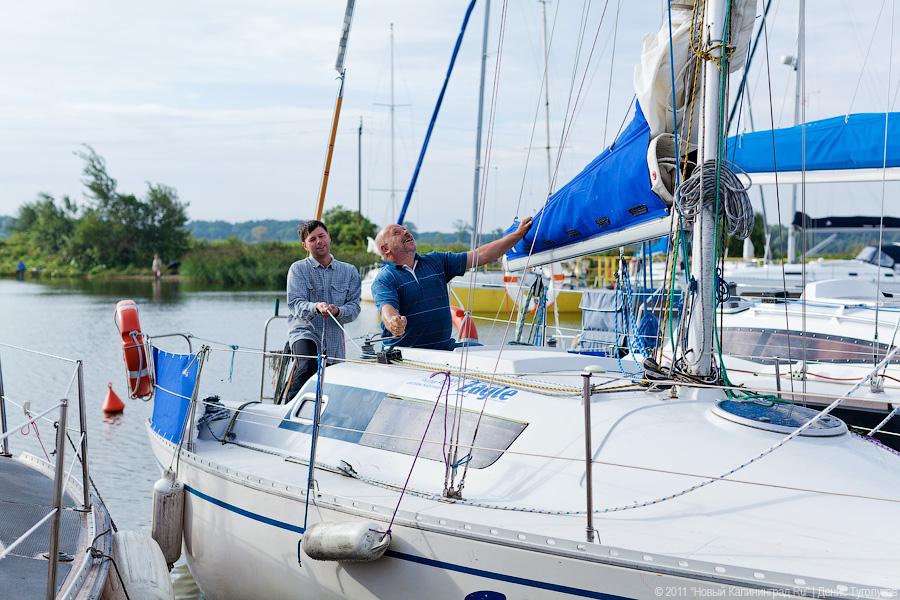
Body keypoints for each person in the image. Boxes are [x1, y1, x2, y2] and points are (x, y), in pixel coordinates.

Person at [372, 216, 533, 350]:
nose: (405, 232)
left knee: (488, 354)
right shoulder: (385, 278)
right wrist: (393, 322)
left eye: (405, 229)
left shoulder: (436, 261)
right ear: (385, 249)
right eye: (397, 232)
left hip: (443, 349)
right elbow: (387, 309)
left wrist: (518, 235)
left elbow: (481, 256)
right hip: (406, 355)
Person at [285, 219, 361, 401]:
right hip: (304, 332)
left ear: (329, 238)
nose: (319, 241)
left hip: (334, 341)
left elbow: (355, 307)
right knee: (309, 365)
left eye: (322, 236)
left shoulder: (350, 271)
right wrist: (316, 307)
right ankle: (286, 408)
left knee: (333, 382)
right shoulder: (298, 269)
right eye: (312, 239)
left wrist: (338, 311)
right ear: (305, 245)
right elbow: (295, 303)